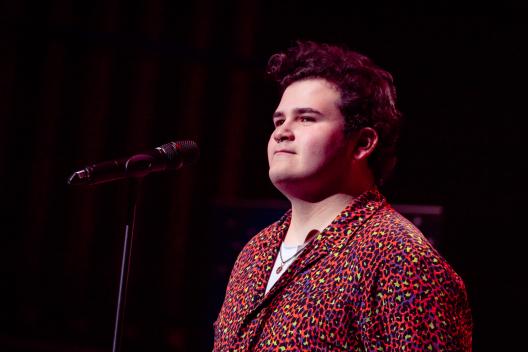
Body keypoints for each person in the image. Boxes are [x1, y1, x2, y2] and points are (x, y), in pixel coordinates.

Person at [213, 41, 472, 351]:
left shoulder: (398, 258)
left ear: (362, 143)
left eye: (306, 118)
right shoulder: (255, 253)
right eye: (279, 120)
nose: (282, 131)